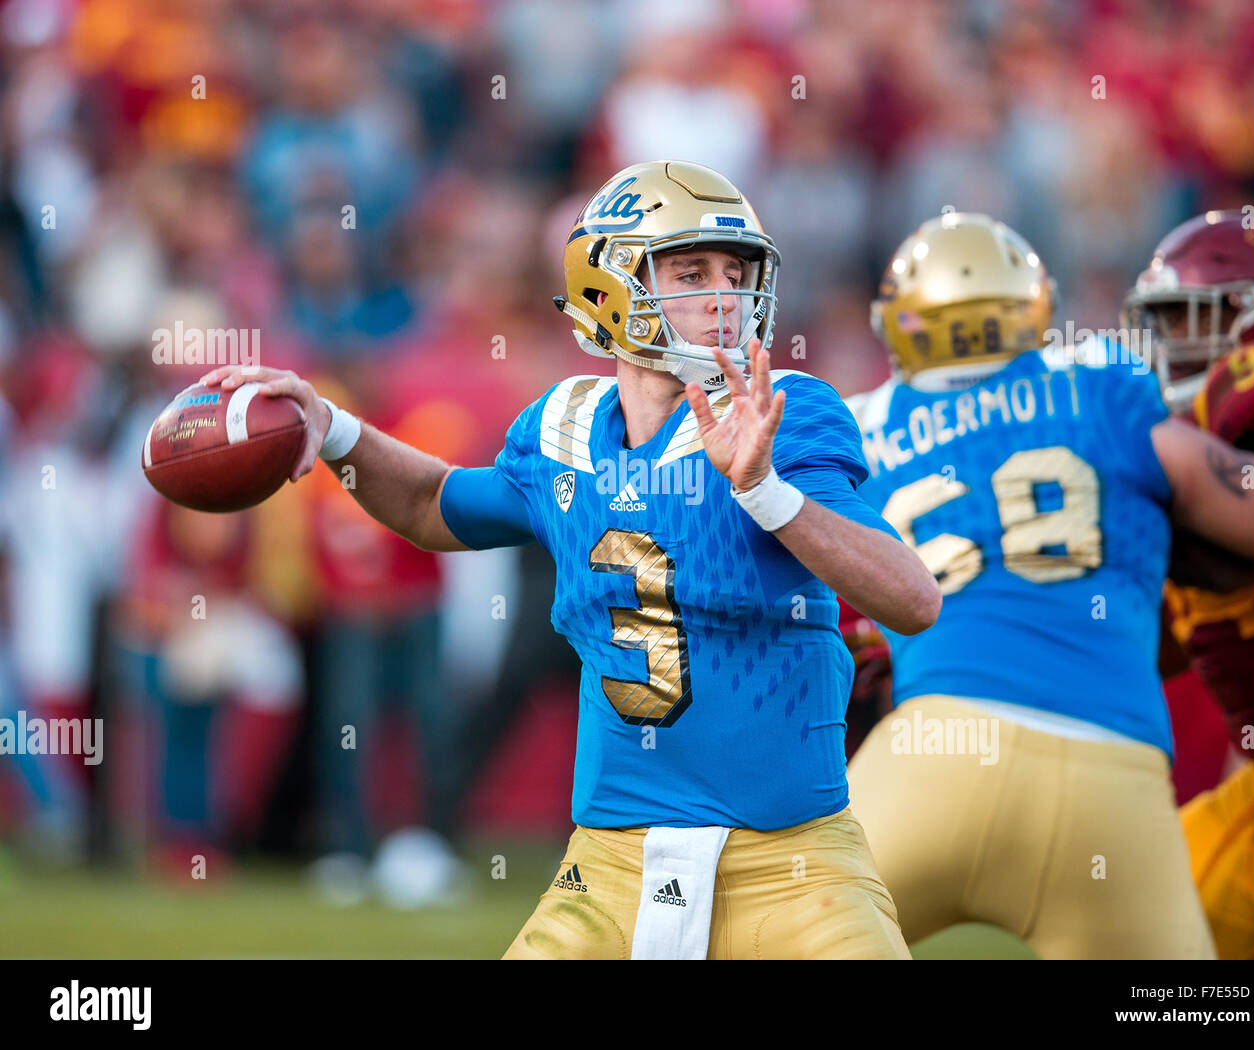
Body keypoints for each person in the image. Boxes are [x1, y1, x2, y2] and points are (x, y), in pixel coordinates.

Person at [200, 160, 940, 959]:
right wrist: (337, 430)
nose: (725, 297)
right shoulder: (563, 427)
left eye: (737, 272)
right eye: (691, 272)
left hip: (793, 867)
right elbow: (432, 504)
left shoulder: (786, 415)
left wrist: (765, 491)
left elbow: (911, 599)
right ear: (608, 286)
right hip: (608, 868)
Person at [844, 210, 1254, 959]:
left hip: (933, 746)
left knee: (776, 929)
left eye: (1195, 319)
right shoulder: (1106, 391)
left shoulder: (858, 429)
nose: (1175, 341)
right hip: (1113, 772)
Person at [1124, 210, 1254, 959]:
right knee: (1138, 942)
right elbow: (1153, 650)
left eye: (1187, 320)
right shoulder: (1190, 450)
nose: (1168, 349)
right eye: (1157, 326)